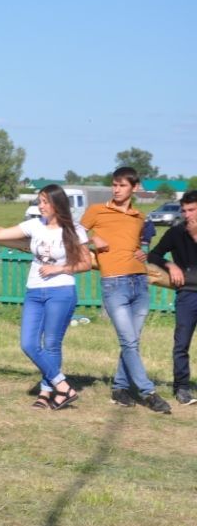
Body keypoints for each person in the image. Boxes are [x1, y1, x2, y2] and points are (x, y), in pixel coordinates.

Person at [0, 185, 91, 409]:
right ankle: (62, 385)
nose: (40, 206)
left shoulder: (74, 230)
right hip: (34, 291)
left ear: (57, 204)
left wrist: (58, 269)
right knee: (28, 343)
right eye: (39, 201)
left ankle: (47, 393)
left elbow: (85, 264)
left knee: (52, 344)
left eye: (44, 202)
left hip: (61, 290)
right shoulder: (34, 225)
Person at [80, 167, 171, 413]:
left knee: (132, 341)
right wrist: (92, 239)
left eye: (122, 185)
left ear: (135, 187)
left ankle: (120, 388)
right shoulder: (97, 211)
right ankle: (148, 392)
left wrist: (143, 251)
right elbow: (72, 232)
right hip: (114, 284)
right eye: (114, 185)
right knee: (129, 342)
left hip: (140, 284)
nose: (117, 189)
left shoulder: (139, 217)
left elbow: (141, 243)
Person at [147, 189, 197, 406]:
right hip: (188, 293)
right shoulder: (176, 233)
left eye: (192, 210)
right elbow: (154, 254)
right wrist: (170, 264)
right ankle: (182, 387)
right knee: (181, 342)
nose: (188, 215)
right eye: (184, 210)